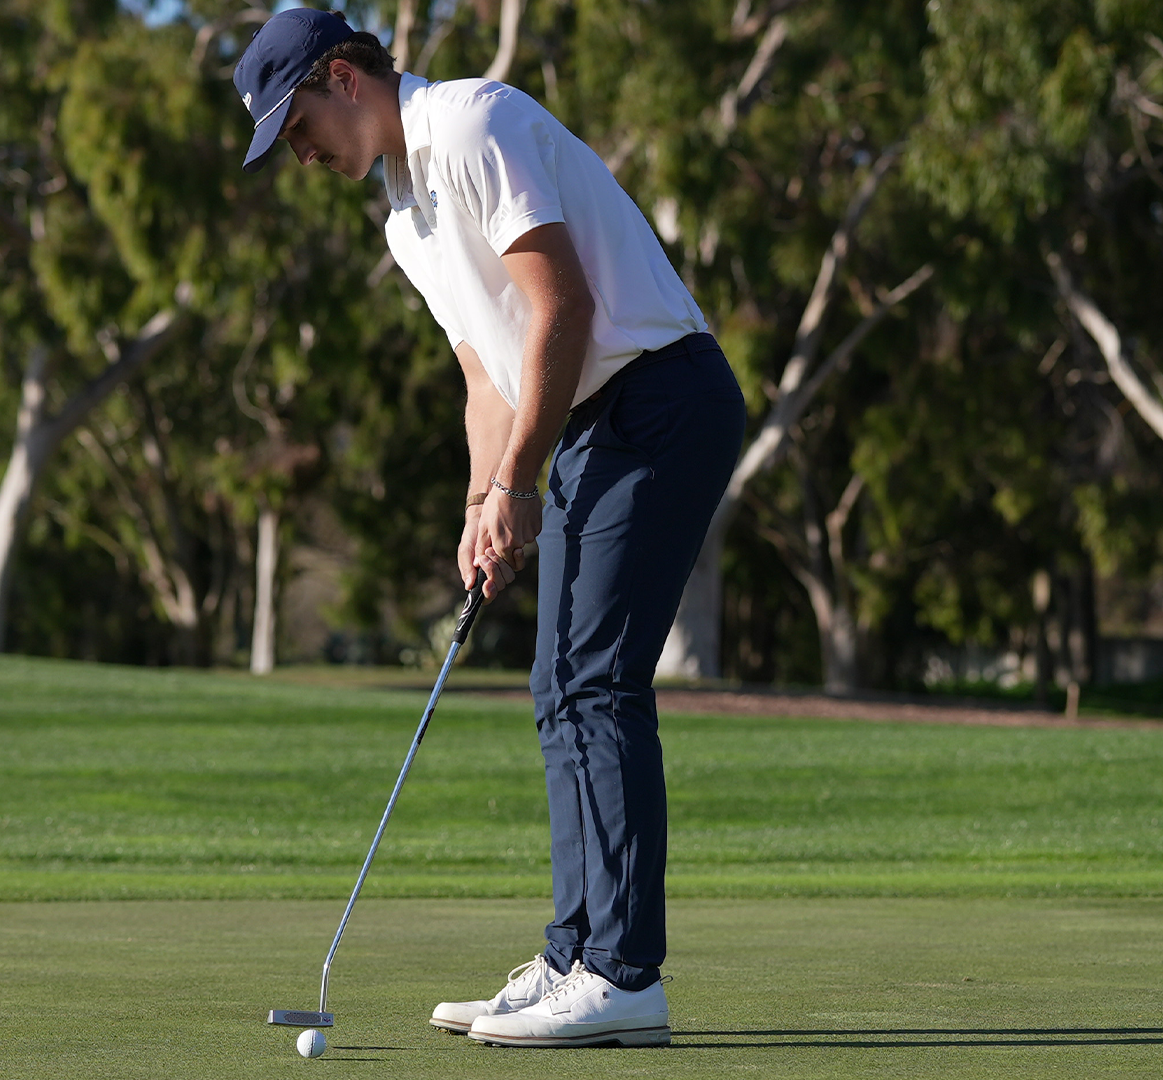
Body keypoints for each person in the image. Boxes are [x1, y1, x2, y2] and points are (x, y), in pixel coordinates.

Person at [234, 8, 744, 1048]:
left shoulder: (472, 124)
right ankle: (573, 958)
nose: (302, 154)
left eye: (298, 128)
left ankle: (624, 975)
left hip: (661, 397)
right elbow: (486, 374)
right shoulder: (400, 215)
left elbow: (565, 311)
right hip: (594, 417)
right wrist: (483, 503)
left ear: (344, 77)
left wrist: (518, 484)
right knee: (557, 681)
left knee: (597, 679)